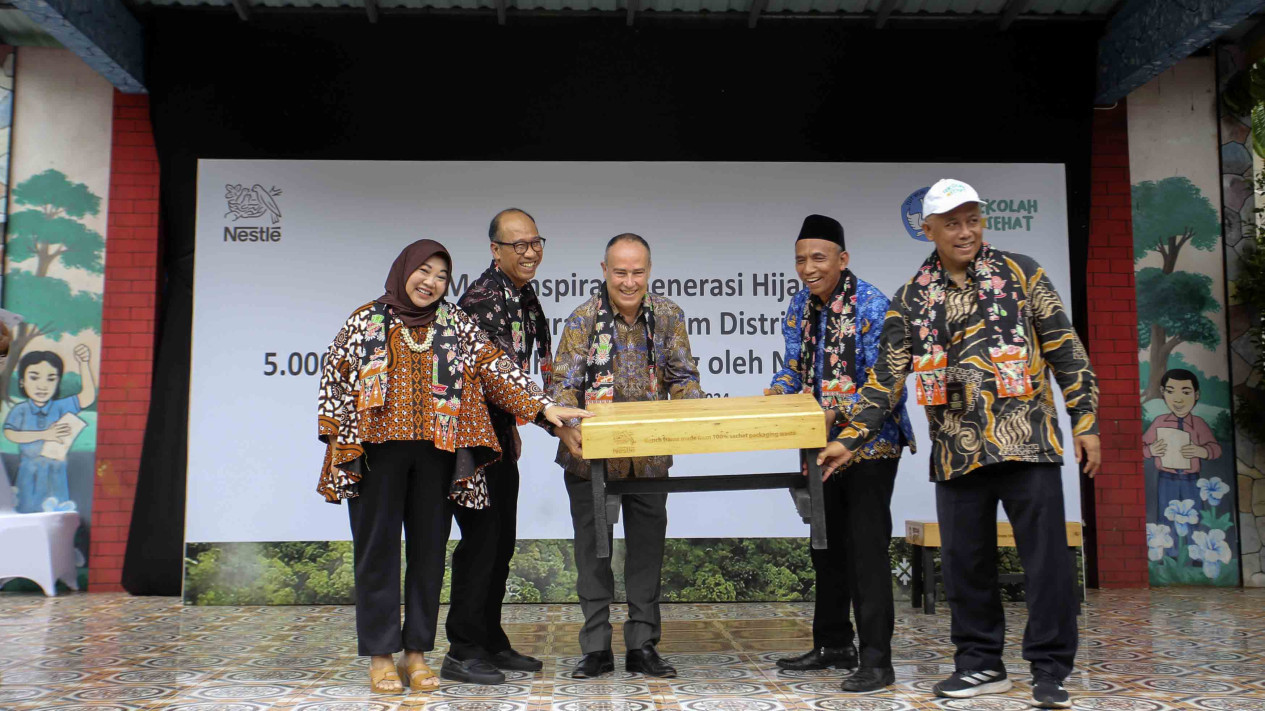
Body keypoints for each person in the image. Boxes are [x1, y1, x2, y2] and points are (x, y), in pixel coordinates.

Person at [820, 179, 1100, 709]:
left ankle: (1049, 668)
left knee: (1047, 564)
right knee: (967, 566)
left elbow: (1066, 350)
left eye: (972, 219)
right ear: (928, 230)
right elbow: (886, 379)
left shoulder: (1022, 273)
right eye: (952, 222)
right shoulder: (910, 299)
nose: (965, 231)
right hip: (957, 448)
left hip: (1029, 444)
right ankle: (979, 665)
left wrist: (1086, 421)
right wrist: (850, 440)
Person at [316, 239, 590, 694]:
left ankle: (417, 655)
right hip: (376, 455)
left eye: (442, 276)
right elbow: (335, 378)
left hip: (437, 455)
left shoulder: (455, 322)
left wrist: (544, 410)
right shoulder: (366, 320)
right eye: (424, 271)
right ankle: (381, 658)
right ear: (403, 270)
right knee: (376, 554)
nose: (431, 282)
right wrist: (340, 441)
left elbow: (495, 369)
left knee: (428, 554)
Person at [765, 215, 913, 692]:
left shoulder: (874, 306)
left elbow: (886, 386)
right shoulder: (799, 307)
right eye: (801, 259)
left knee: (865, 551)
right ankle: (833, 644)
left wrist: (833, 413)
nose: (808, 268)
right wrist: (779, 394)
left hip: (870, 447)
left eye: (818, 258)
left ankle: (876, 660)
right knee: (824, 548)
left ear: (842, 259)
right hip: (817, 446)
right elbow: (795, 368)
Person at [549, 233, 703, 680]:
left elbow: (683, 375)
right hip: (589, 458)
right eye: (620, 272)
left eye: (638, 272)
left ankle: (643, 646)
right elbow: (562, 386)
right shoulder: (582, 320)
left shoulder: (669, 315)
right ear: (604, 270)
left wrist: (695, 408)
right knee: (593, 555)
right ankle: (596, 649)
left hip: (650, 458)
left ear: (649, 270)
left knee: (646, 554)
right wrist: (567, 427)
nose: (629, 281)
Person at [446, 208, 552, 679]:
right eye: (518, 245)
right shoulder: (480, 301)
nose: (530, 253)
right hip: (471, 443)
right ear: (495, 250)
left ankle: (491, 640)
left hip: (499, 435)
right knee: (480, 542)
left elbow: (527, 368)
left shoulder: (523, 295)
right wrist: (547, 418)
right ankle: (462, 649)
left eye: (535, 242)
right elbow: (491, 376)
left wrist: (512, 425)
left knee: (501, 541)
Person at [4, 345, 96, 513]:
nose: (42, 385)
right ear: (23, 381)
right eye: (34, 377)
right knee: (26, 514)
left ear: (58, 382)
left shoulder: (60, 407)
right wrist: (46, 434)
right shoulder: (21, 410)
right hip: (28, 473)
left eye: (51, 378)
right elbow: (10, 433)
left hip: (56, 473)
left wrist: (84, 363)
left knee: (54, 516)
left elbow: (88, 397)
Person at [1142, 368, 1221, 522]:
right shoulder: (1159, 422)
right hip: (1166, 478)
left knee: (1194, 518)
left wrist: (1201, 451)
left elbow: (1216, 449)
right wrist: (1151, 450)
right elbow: (1141, 446)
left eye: (1186, 392)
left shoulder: (1198, 423)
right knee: (1166, 518)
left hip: (1191, 479)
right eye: (1171, 392)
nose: (1178, 400)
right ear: (1162, 392)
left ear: (1196, 395)